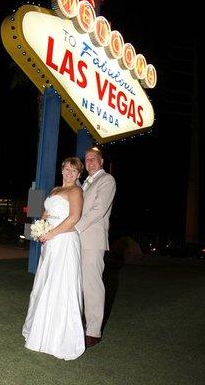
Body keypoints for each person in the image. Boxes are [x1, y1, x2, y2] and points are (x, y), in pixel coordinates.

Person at [22, 157, 85, 361]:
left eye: (73, 171)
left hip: (65, 241)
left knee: (60, 285)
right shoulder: (55, 189)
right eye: (66, 169)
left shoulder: (76, 191)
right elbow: (46, 213)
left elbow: (74, 217)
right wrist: (41, 228)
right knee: (46, 283)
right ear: (62, 170)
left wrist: (51, 233)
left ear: (78, 174)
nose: (69, 173)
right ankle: (40, 331)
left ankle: (57, 337)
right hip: (50, 242)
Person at [75, 147, 116, 347]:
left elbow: (98, 210)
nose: (89, 162)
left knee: (92, 285)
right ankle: (78, 325)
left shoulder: (107, 180)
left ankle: (93, 332)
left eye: (93, 159)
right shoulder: (84, 184)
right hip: (77, 239)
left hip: (92, 240)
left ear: (101, 161)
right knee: (79, 284)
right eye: (87, 159)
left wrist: (76, 228)